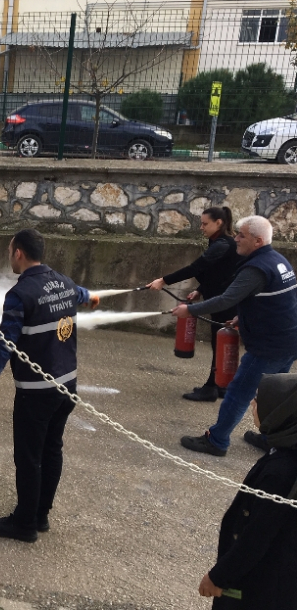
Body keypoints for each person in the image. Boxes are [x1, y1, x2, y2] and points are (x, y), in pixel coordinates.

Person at [0, 228, 99, 543]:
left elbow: (5, 346)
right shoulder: (64, 282)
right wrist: (90, 296)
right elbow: (81, 294)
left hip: (37, 392)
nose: (9, 257)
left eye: (10, 251)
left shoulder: (20, 295)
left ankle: (24, 523)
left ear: (19, 253)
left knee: (29, 456)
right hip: (67, 387)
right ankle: (40, 516)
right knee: (52, 450)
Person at [173, 216, 297, 456]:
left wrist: (188, 310)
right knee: (274, 393)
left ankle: (216, 441)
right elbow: (279, 299)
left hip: (267, 347)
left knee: (239, 393)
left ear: (258, 241)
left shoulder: (256, 268)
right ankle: (271, 438)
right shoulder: (278, 261)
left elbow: (226, 299)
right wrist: (242, 318)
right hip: (288, 342)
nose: (236, 239)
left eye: (242, 235)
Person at [198, 373, 297, 609]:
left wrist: (219, 576)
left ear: (280, 413)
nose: (253, 404)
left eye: (259, 400)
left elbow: (258, 534)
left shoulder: (281, 472)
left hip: (260, 587)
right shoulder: (283, 449)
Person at [147, 207, 240, 402]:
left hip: (226, 302)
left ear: (219, 223)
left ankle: (211, 388)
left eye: (205, 224)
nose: (201, 227)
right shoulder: (218, 242)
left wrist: (163, 280)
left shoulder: (223, 244)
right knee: (221, 343)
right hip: (220, 299)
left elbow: (196, 267)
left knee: (220, 341)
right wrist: (200, 289)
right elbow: (216, 272)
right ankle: (222, 385)